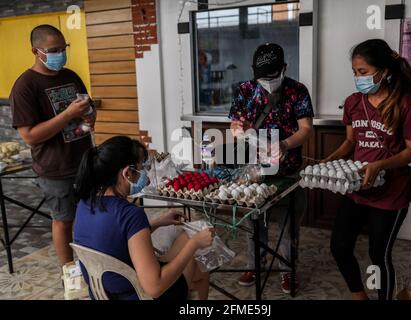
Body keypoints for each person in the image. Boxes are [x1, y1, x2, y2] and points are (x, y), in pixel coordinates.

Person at [325, 39, 411, 300]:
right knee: (339, 246)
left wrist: (380, 165)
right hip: (358, 188)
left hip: (391, 192)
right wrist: (331, 160)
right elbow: (350, 141)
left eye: (363, 72)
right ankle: (360, 297)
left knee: (378, 254)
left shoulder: (406, 104)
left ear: (384, 70)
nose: (358, 78)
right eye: (355, 73)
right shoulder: (353, 102)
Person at [74, 136, 213, 300]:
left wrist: (157, 223)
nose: (145, 177)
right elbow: (155, 287)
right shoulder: (130, 213)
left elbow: (114, 238)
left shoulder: (85, 203)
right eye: (141, 169)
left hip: (104, 293)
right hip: (139, 294)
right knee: (190, 251)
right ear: (126, 173)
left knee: (187, 243)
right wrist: (195, 243)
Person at [228, 43, 314, 293]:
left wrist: (285, 145)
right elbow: (236, 123)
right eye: (262, 77)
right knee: (254, 223)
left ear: (284, 69)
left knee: (288, 225)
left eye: (272, 76)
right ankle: (255, 265)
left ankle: (288, 270)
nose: (267, 82)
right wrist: (241, 134)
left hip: (286, 172)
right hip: (254, 172)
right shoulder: (245, 90)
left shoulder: (297, 91)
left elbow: (306, 129)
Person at [9, 25, 96, 269]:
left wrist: (90, 116)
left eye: (63, 48)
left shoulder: (71, 76)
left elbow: (87, 108)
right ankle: (69, 272)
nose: (60, 54)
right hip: (55, 167)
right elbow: (30, 136)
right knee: (64, 220)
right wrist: (68, 114)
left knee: (91, 216)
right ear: (36, 51)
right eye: (54, 50)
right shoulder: (25, 86)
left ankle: (93, 263)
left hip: (85, 160)